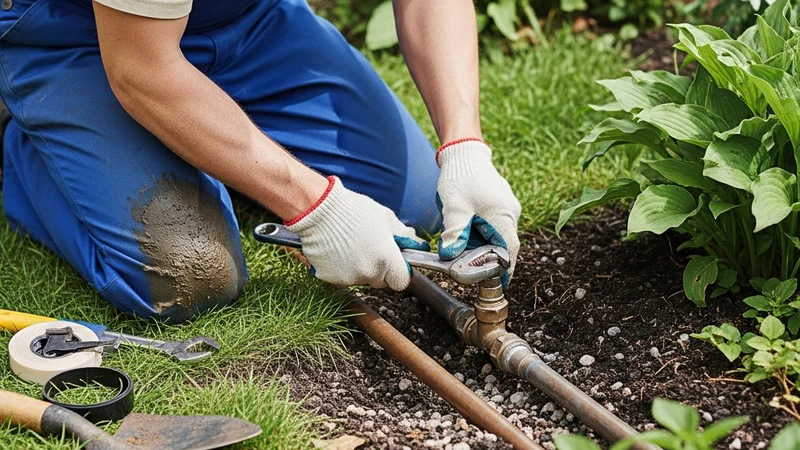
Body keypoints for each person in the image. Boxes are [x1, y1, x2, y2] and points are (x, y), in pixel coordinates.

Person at [0, 0, 521, 323]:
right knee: (189, 275)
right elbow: (141, 67)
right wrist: (315, 205)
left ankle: (211, 132)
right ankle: (25, 138)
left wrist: (464, 148)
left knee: (415, 200)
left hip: (250, 20)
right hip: (86, 36)